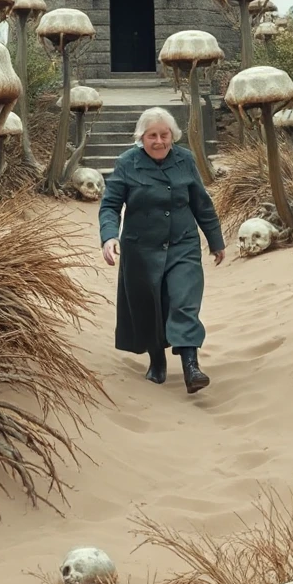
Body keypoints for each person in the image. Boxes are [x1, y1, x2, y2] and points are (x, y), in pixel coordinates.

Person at [98, 107, 225, 394]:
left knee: (184, 300)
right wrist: (109, 237)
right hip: (141, 249)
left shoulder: (185, 160)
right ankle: (157, 360)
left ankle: (191, 365)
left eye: (164, 135)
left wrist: (215, 240)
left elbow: (201, 203)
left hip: (183, 244)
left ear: (173, 136)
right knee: (149, 306)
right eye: (152, 135)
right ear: (141, 137)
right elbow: (110, 206)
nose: (159, 141)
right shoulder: (127, 163)